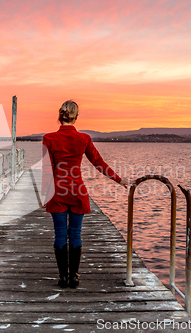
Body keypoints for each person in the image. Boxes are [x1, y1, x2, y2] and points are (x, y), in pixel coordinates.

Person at [41, 100, 129, 288]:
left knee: (59, 235)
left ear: (60, 116)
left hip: (57, 191)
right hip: (77, 191)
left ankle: (63, 277)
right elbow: (98, 163)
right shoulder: (84, 139)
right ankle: (74, 277)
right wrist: (119, 180)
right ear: (76, 117)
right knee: (75, 234)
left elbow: (47, 170)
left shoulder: (49, 138)